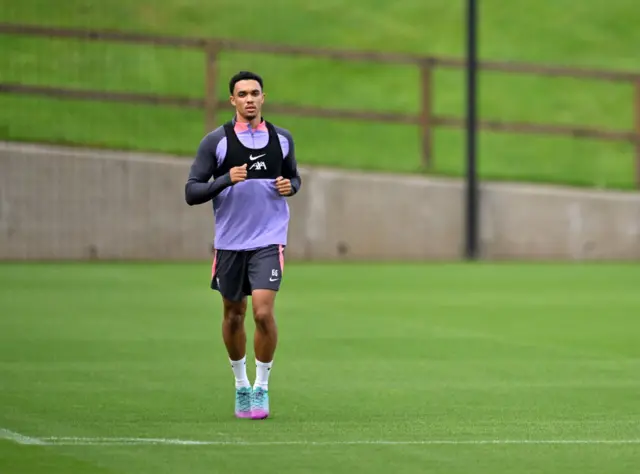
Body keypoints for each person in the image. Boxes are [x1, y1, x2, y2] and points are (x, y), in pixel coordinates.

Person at [184, 71, 302, 420]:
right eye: (242, 94)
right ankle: (240, 384)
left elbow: (294, 176)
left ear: (263, 97)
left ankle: (261, 387)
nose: (249, 99)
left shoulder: (282, 139)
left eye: (255, 93)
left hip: (269, 239)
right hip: (231, 243)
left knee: (263, 313)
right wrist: (224, 179)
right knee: (233, 316)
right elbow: (191, 191)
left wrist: (290, 186)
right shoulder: (216, 143)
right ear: (232, 101)